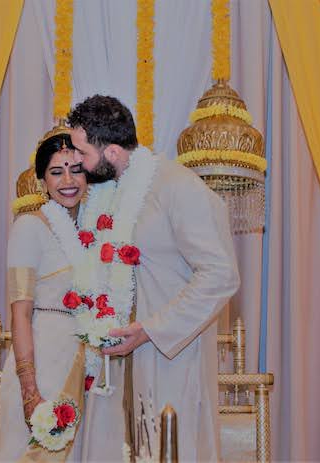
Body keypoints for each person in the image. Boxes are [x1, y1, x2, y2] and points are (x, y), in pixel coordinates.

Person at [68, 95, 240, 462]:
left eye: (82, 152)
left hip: (169, 359)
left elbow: (221, 274)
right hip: (116, 364)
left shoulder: (177, 186)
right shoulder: (106, 195)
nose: (75, 161)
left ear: (112, 151)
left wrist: (150, 329)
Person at [0, 126, 88, 462]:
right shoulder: (29, 227)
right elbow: (20, 312)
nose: (68, 180)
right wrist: (29, 390)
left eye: (76, 169)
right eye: (56, 171)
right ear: (41, 181)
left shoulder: (95, 235)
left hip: (85, 363)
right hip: (44, 363)